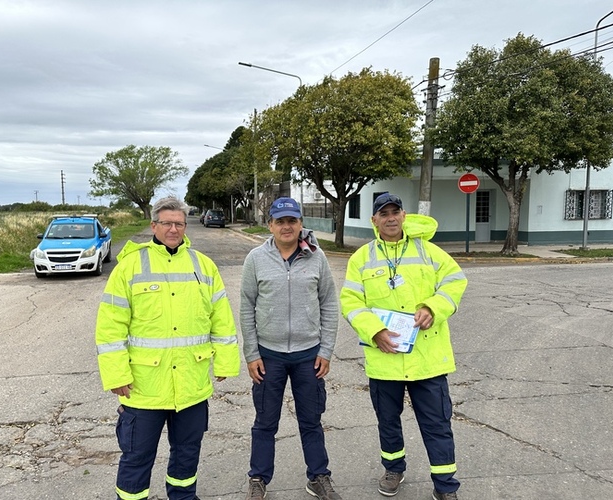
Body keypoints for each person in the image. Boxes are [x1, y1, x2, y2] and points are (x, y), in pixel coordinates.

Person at [95, 197, 240, 500]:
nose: (173, 229)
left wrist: (226, 363)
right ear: (154, 226)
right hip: (144, 386)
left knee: (187, 454)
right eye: (167, 223)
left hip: (191, 383)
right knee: (137, 456)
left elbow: (221, 318)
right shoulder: (130, 267)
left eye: (179, 223)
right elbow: (110, 326)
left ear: (186, 226)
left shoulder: (204, 266)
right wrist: (116, 374)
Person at [339, 193, 467, 500]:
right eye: (384, 213)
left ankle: (445, 486)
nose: (391, 217)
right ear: (375, 220)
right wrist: (374, 331)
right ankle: (394, 469)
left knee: (437, 423)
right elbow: (350, 301)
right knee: (388, 422)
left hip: (428, 358)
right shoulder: (362, 258)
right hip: (385, 358)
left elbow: (455, 281)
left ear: (404, 215)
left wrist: (434, 307)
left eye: (395, 211)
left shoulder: (429, 251)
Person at [240, 197, 342, 500]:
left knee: (311, 420)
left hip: (308, 355)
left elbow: (329, 304)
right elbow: (247, 306)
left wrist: (326, 350)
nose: (287, 226)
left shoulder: (317, 257)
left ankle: (318, 476)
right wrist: (251, 354)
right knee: (265, 422)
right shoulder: (256, 258)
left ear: (300, 224)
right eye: (280, 221)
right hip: (268, 356)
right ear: (270, 225)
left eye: (292, 221)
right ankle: (258, 478)